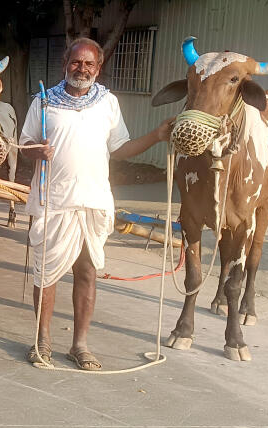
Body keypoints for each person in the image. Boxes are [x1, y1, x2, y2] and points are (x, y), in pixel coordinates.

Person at [19, 38, 171, 370]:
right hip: (53, 202)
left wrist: (156, 136)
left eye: (89, 64)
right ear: (65, 64)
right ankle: (42, 341)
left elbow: (120, 148)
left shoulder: (108, 103)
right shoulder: (44, 102)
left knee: (87, 271)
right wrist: (36, 151)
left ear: (98, 68)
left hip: (94, 201)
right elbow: (24, 143)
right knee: (46, 274)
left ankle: (80, 345)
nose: (82, 69)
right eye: (76, 62)